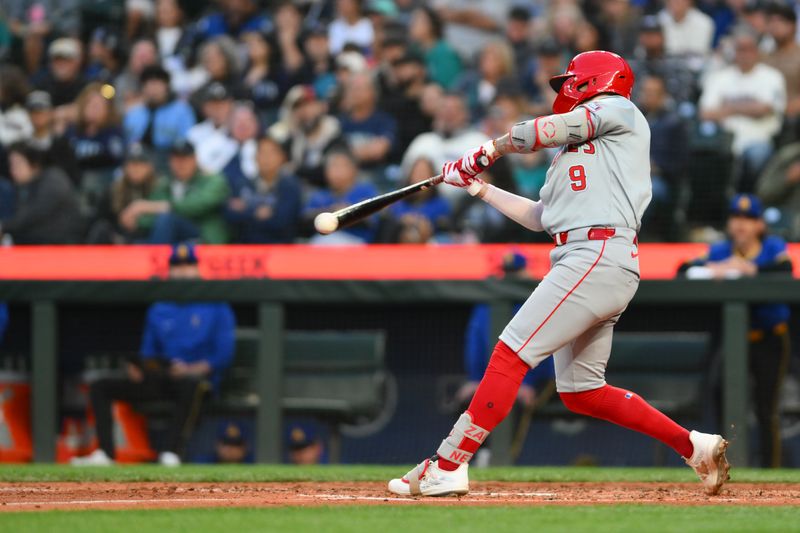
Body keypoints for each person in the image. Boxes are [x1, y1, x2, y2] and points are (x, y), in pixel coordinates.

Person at [387, 50, 730, 498]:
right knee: (582, 391)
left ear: (593, 80)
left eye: (570, 79)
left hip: (597, 252)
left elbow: (546, 130)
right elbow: (540, 216)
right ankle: (693, 446)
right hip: (589, 256)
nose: (564, 88)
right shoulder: (575, 156)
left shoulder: (619, 110)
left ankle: (450, 462)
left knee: (511, 352)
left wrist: (489, 147)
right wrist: (477, 186)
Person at [72, 243, 236, 466]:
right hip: (161, 378)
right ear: (169, 271)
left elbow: (223, 355)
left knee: (192, 386)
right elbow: (148, 351)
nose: (183, 271)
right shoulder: (159, 307)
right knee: (100, 386)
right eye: (177, 266)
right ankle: (105, 453)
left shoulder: (216, 304)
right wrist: (140, 367)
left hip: (197, 380)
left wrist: (190, 369)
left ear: (198, 268)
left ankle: (171, 453)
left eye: (189, 265)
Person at [678, 194, 792, 468]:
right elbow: (683, 268)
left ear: (760, 225)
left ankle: (770, 471)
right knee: (722, 401)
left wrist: (750, 269)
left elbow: (785, 267)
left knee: (767, 409)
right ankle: (725, 466)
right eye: (736, 218)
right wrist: (713, 267)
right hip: (732, 340)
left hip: (769, 338)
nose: (741, 225)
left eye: (749, 219)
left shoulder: (772, 247)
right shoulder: (720, 251)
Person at [699, 28, 786, 193]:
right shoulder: (720, 77)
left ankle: (749, 202)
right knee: (705, 157)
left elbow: (764, 108)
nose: (745, 54)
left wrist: (728, 107)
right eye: (740, 49)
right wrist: (748, 107)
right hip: (723, 139)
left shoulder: (771, 77)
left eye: (749, 49)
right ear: (734, 52)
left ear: (757, 51)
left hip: (758, 139)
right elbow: (705, 113)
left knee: (757, 156)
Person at [123, 141, 229, 244]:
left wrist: (161, 206)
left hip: (203, 237)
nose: (180, 164)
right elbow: (149, 219)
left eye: (185, 159)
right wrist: (138, 222)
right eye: (176, 159)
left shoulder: (211, 180)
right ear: (170, 161)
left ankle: (156, 259)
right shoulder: (165, 184)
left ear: (195, 159)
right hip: (171, 240)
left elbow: (197, 206)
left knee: (167, 219)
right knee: (136, 244)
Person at [0, 142, 83, 244]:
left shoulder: (54, 180)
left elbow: (33, 213)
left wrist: (4, 226)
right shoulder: (23, 186)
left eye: (17, 164)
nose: (12, 170)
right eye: (11, 164)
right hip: (35, 242)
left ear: (35, 164)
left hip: (61, 246)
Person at [225, 133, 302, 244]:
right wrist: (255, 213)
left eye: (271, 153)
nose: (266, 158)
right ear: (255, 157)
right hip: (246, 247)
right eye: (262, 153)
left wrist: (246, 209)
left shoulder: (291, 186)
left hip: (280, 248)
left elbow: (282, 221)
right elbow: (230, 215)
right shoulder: (243, 184)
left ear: (282, 157)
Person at [303, 148, 378, 244]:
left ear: (353, 169)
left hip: (357, 242)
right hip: (323, 241)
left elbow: (370, 222)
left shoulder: (365, 191)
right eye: (333, 166)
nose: (336, 172)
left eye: (341, 166)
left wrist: (347, 212)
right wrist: (331, 212)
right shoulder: (320, 195)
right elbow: (305, 219)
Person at [88, 144, 157, 244]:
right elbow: (101, 218)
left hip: (147, 241)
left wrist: (139, 222)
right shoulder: (114, 189)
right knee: (101, 228)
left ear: (149, 167)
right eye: (132, 164)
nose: (136, 169)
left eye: (140, 164)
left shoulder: (159, 188)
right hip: (118, 240)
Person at [123, 65, 196, 155]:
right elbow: (126, 142)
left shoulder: (182, 110)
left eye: (158, 84)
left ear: (166, 87)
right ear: (143, 88)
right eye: (149, 84)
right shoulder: (133, 113)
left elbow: (188, 141)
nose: (154, 89)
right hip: (138, 160)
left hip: (172, 158)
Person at [25, 91, 79, 185]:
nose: (38, 115)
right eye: (34, 111)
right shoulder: (22, 145)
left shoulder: (61, 144)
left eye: (41, 111)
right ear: (28, 115)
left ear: (50, 113)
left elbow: (71, 175)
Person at [763, 3, 800, 135]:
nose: (774, 26)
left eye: (780, 21)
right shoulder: (764, 57)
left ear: (793, 25)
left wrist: (784, 109)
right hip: (765, 117)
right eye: (771, 21)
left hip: (793, 119)